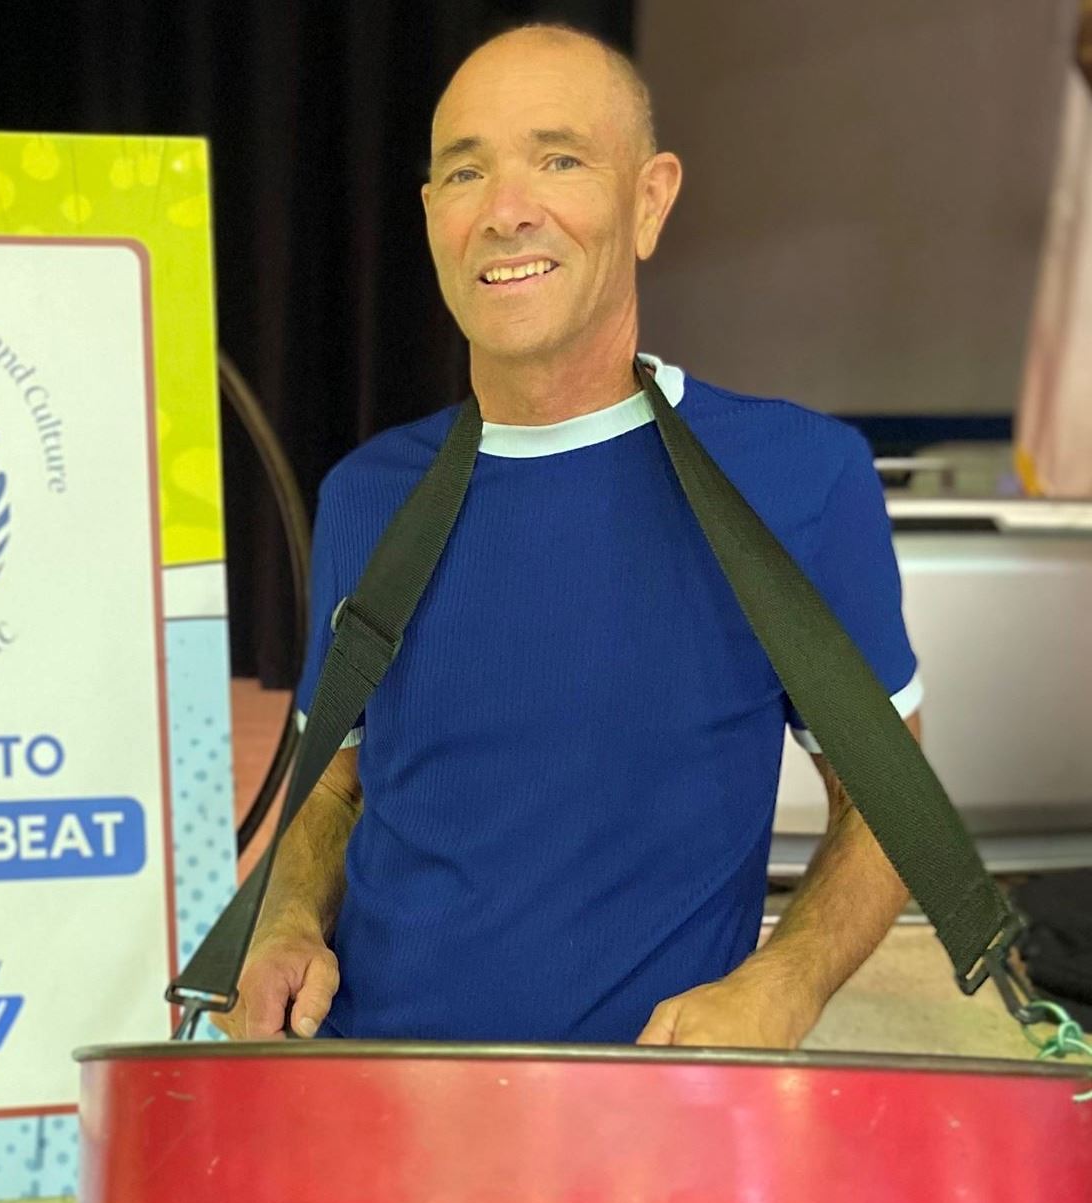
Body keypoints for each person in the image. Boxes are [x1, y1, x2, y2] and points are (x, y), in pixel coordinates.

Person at [218, 24, 922, 1049]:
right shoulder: (368, 496)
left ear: (649, 200)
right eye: (466, 171)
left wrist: (786, 985)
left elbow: (889, 808)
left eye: (559, 159)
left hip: (644, 1132)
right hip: (373, 1104)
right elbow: (333, 783)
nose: (506, 211)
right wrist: (283, 921)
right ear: (431, 217)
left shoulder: (795, 479)